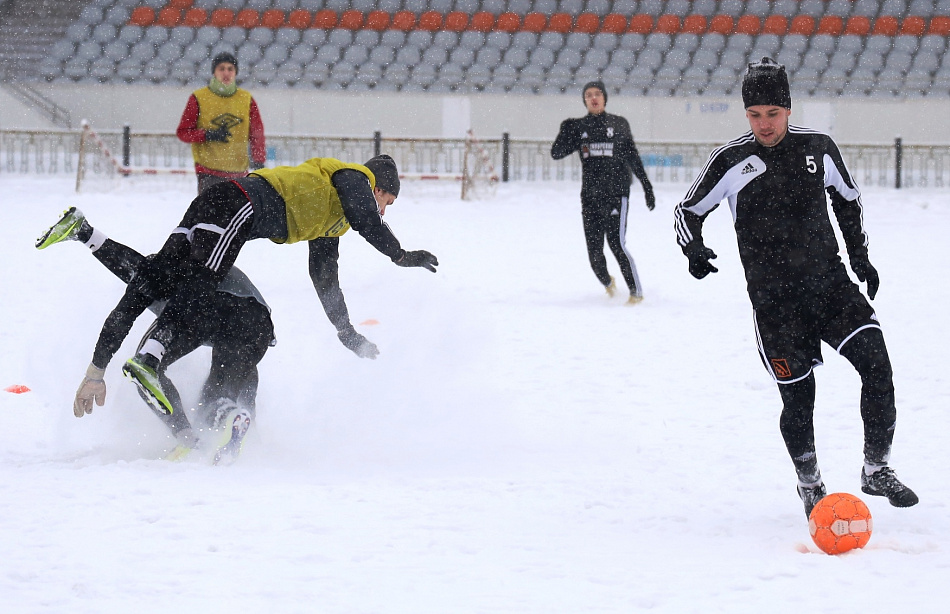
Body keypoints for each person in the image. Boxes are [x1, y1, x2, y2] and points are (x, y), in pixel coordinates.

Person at [672, 58, 918, 518]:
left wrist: (859, 256)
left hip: (830, 287)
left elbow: (848, 200)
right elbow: (687, 211)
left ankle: (876, 468)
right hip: (775, 304)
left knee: (878, 366)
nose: (764, 124)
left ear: (788, 108)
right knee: (799, 397)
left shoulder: (818, 147)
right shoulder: (730, 160)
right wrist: (695, 250)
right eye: (754, 115)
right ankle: (810, 483)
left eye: (772, 113)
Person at [114, 154, 439, 417]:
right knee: (195, 285)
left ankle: (168, 389)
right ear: (377, 187)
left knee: (167, 275)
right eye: (387, 201)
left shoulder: (334, 218)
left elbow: (324, 277)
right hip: (232, 202)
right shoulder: (354, 177)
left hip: (230, 209)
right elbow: (366, 217)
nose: (383, 210)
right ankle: (148, 359)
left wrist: (346, 331)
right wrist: (399, 254)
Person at [36, 207, 274, 463]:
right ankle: (234, 418)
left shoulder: (153, 278)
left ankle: (187, 438)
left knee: (145, 369)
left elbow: (119, 319)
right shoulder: (187, 266)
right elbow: (246, 373)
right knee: (220, 395)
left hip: (206, 309)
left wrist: (95, 375)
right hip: (257, 320)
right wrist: (251, 415)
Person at [551, 80, 656, 304]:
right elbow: (556, 153)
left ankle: (636, 294)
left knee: (616, 244)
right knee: (595, 256)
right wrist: (565, 131)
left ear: (605, 98)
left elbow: (633, 157)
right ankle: (609, 284)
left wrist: (647, 187)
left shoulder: (619, 124)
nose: (594, 98)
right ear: (584, 100)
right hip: (590, 196)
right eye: (588, 95)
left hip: (616, 193)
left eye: (598, 93)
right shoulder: (578, 127)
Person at [176, 51, 267, 194]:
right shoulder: (198, 98)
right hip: (208, 171)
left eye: (230, 69)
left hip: (239, 172)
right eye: (221, 68)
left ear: (236, 73)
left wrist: (259, 159)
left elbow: (257, 134)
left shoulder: (247, 99)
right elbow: (183, 132)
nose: (226, 73)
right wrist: (207, 135)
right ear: (214, 72)